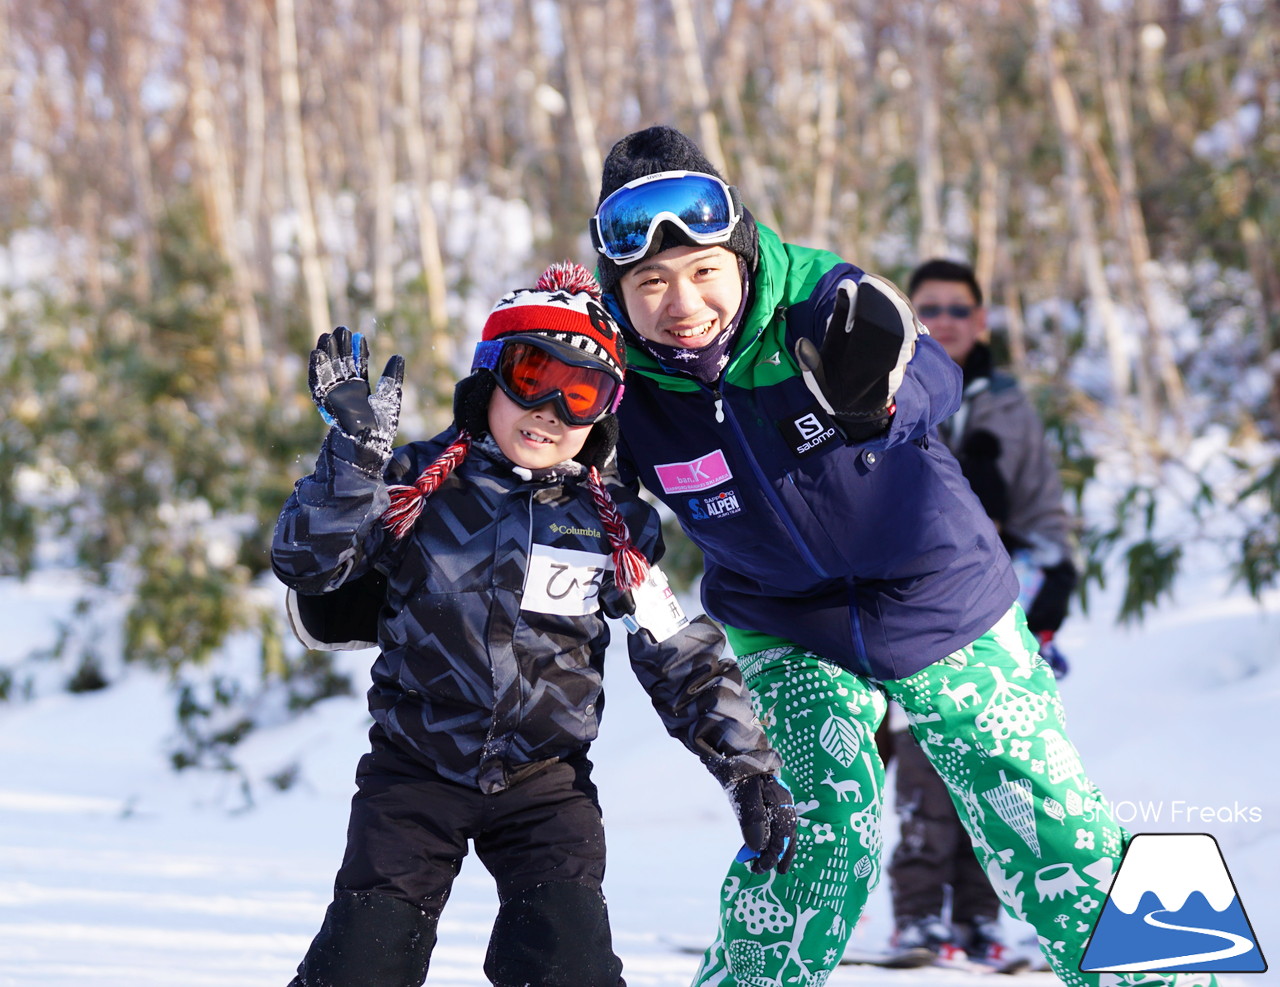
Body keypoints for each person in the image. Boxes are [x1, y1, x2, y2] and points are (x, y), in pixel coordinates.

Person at [587, 125, 1214, 987]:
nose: (680, 301)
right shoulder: (614, 373)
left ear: (739, 255)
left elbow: (930, 372)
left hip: (939, 593)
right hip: (784, 618)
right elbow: (525, 434)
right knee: (814, 839)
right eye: (650, 281)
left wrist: (878, 390)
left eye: (702, 270)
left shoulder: (819, 297)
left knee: (1046, 825)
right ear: (620, 287)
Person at [272, 262, 796, 987]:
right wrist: (354, 459)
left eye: (580, 393)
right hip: (415, 771)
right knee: (365, 961)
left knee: (567, 961)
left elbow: (680, 654)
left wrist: (748, 768)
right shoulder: (417, 486)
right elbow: (309, 562)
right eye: (533, 375)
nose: (550, 408)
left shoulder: (612, 524)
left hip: (545, 785)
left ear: (602, 416)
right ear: (490, 378)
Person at [880, 259, 1080, 968]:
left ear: (981, 319)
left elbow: (1041, 501)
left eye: (957, 309)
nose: (943, 321)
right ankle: (917, 915)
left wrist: (1056, 577)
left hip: (998, 600)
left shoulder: (1008, 404)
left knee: (996, 767)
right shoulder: (880, 389)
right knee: (922, 768)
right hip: (906, 605)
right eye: (926, 308)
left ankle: (977, 915)